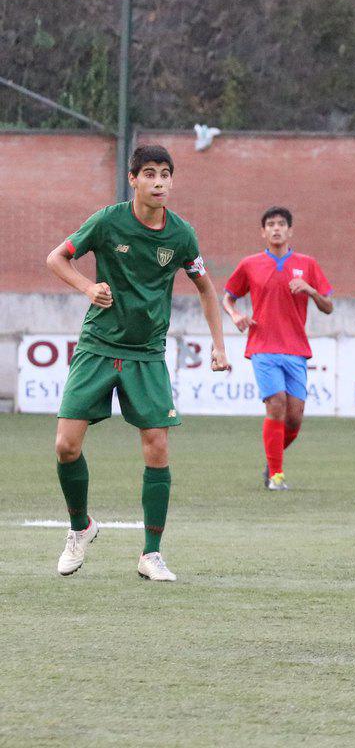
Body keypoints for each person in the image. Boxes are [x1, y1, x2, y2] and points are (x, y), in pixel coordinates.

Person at [46, 144, 230, 582]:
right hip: (97, 346)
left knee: (158, 447)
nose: (159, 182)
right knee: (65, 446)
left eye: (165, 174)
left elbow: (206, 288)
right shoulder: (108, 220)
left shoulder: (182, 235)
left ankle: (151, 553)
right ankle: (80, 528)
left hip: (146, 353)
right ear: (133, 179)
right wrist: (88, 289)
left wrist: (219, 345)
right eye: (149, 173)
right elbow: (57, 258)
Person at [223, 206, 334, 491]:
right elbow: (228, 297)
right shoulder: (250, 264)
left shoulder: (307, 264)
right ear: (263, 231)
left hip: (296, 348)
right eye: (270, 224)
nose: (276, 228)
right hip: (263, 346)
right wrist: (236, 316)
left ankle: (272, 461)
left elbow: (329, 306)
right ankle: (276, 476)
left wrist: (309, 289)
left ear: (290, 230)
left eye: (281, 224)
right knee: (276, 405)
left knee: (294, 417)